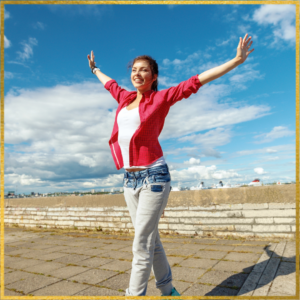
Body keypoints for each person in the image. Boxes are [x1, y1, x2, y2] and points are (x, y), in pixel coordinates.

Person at [87, 33, 254, 297]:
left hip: (154, 177)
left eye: (144, 70)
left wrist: (236, 61)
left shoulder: (161, 98)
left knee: (141, 243)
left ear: (153, 77)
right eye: (134, 70)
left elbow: (197, 81)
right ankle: (168, 290)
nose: (137, 74)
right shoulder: (125, 99)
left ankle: (134, 295)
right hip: (129, 181)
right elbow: (109, 84)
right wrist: (95, 69)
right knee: (151, 241)